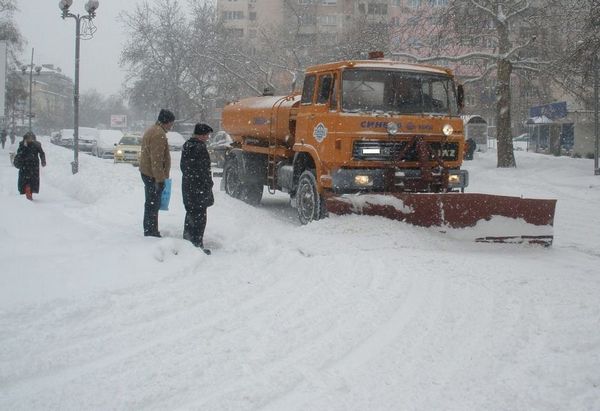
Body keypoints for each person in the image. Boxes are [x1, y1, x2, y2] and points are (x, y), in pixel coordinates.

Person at [139, 108, 175, 237]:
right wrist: (160, 180)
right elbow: (157, 159)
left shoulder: (152, 130)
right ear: (166, 122)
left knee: (150, 203)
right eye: (171, 123)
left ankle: (150, 229)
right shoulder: (159, 134)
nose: (171, 126)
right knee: (153, 204)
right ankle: (151, 231)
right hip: (152, 175)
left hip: (147, 172)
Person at [180, 123, 214, 254]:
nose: (207, 138)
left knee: (190, 214)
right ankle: (197, 245)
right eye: (207, 135)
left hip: (188, 187)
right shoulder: (200, 148)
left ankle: (187, 243)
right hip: (198, 189)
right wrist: (208, 184)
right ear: (202, 135)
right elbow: (203, 171)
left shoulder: (187, 145)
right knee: (200, 217)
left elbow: (185, 168)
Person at [13, 131, 46, 200]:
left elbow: (42, 153)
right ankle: (23, 193)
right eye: (28, 138)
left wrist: (43, 161)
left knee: (33, 180)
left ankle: (30, 193)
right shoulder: (22, 144)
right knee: (23, 180)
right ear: (25, 138)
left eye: (31, 138)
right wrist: (24, 147)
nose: (29, 139)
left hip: (34, 165)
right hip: (24, 165)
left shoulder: (37, 144)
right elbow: (19, 154)